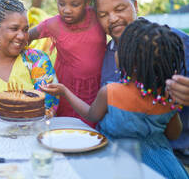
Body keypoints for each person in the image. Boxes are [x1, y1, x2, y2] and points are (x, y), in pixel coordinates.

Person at [40, 19, 189, 179]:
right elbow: (173, 134)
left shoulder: (111, 92)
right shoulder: (166, 98)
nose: (116, 52)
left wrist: (65, 92)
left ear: (130, 61)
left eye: (120, 49)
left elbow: (91, 115)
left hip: (117, 160)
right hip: (163, 165)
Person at [94, 0, 189, 165]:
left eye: (120, 8)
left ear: (135, 5)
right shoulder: (105, 54)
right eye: (103, 14)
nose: (112, 18)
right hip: (118, 157)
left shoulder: (175, 42)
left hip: (174, 154)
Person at [28, 0, 106, 127]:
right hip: (65, 92)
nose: (67, 10)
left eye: (75, 4)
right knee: (66, 131)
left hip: (97, 90)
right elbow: (25, 36)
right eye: (61, 3)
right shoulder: (53, 24)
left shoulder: (99, 17)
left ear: (87, 0)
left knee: (92, 134)